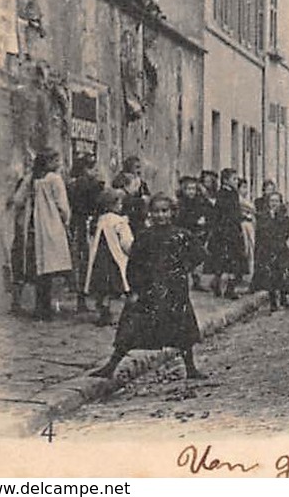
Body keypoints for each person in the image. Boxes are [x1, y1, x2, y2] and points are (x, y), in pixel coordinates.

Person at [91, 192, 206, 380]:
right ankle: (111, 366)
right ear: (149, 214)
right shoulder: (144, 237)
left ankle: (191, 367)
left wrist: (183, 268)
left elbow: (199, 254)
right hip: (148, 290)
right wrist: (134, 289)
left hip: (174, 290)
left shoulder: (181, 235)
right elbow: (134, 264)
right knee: (130, 329)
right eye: (156, 212)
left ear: (172, 212)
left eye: (165, 211)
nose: (161, 215)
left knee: (182, 328)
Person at [9, 150, 73, 320]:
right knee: (49, 269)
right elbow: (63, 206)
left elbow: (17, 200)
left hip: (33, 228)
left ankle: (40, 307)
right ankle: (46, 308)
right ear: (48, 162)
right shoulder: (55, 180)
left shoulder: (31, 178)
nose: (59, 163)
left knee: (37, 268)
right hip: (51, 226)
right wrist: (66, 220)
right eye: (56, 160)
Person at [85, 188, 133, 325]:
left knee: (103, 288)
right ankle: (127, 312)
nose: (121, 206)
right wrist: (130, 250)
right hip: (114, 258)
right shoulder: (118, 221)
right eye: (119, 204)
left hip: (100, 259)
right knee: (121, 284)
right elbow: (125, 241)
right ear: (112, 205)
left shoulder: (100, 220)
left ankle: (104, 311)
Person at [66, 153, 105, 314]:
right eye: (92, 168)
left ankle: (81, 299)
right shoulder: (89, 185)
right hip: (86, 225)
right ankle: (87, 298)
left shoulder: (72, 184)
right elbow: (96, 204)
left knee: (80, 261)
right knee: (87, 260)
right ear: (84, 169)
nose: (95, 171)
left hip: (77, 224)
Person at [252, 191, 289, 312]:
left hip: (280, 248)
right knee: (271, 276)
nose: (274, 204)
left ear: (280, 203)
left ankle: (283, 297)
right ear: (268, 203)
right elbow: (262, 233)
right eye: (272, 201)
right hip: (268, 249)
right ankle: (273, 302)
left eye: (276, 201)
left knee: (283, 273)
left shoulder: (283, 216)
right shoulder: (263, 216)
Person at [206, 169, 248, 299]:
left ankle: (224, 286)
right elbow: (223, 213)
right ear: (225, 181)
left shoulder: (233, 194)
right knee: (227, 261)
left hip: (233, 231)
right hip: (225, 232)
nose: (237, 181)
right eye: (234, 179)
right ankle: (222, 286)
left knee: (231, 262)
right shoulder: (223, 194)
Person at [111, 156, 151, 234]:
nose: (139, 170)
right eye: (136, 167)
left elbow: (147, 197)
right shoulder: (119, 181)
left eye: (139, 167)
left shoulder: (141, 183)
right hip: (124, 217)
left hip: (138, 217)